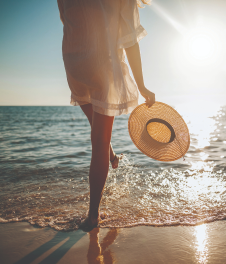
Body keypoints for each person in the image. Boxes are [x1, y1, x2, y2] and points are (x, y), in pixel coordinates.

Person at [57, 0, 155, 228]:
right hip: (101, 63)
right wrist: (141, 85)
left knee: (95, 123)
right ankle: (93, 216)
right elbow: (130, 40)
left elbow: (68, 20)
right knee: (99, 141)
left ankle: (110, 153)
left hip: (73, 62)